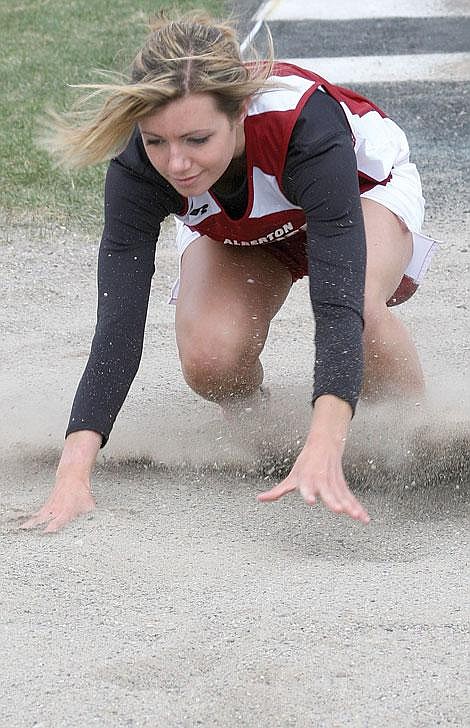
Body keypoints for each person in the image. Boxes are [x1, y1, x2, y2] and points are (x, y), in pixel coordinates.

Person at [22, 11, 437, 533]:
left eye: (197, 139)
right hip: (242, 228)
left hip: (357, 195)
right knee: (209, 359)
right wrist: (73, 475)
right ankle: (269, 436)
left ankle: (422, 444)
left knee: (362, 317)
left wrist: (324, 440)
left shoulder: (303, 124)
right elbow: (118, 328)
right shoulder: (138, 169)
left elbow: (338, 305)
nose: (176, 164)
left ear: (240, 108)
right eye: (156, 142)